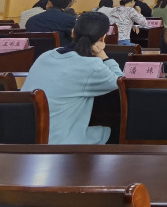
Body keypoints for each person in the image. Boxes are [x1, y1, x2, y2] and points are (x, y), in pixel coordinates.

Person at [22, 12, 124, 144]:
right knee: (119, 130)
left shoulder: (46, 55)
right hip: (58, 142)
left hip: (24, 137)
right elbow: (121, 82)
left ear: (72, 32)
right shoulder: (91, 66)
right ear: (103, 38)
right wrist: (102, 55)